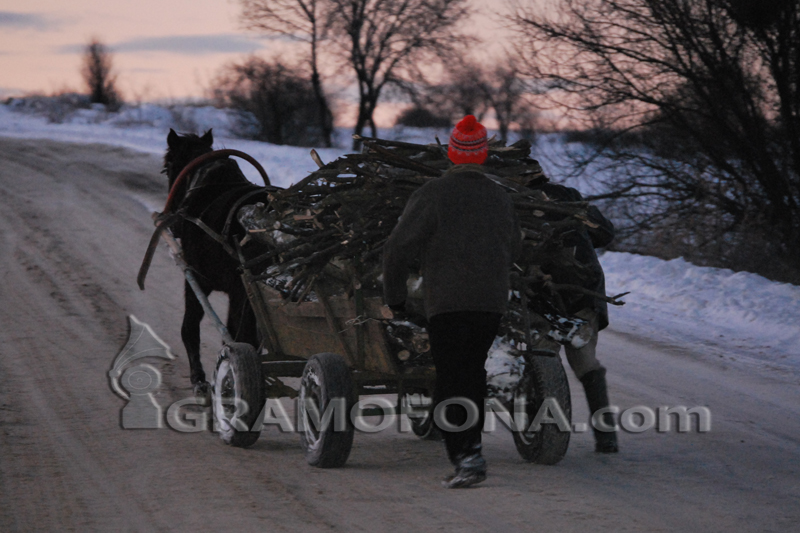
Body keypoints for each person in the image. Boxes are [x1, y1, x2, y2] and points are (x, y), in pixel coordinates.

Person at [382, 115, 521, 488]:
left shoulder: (433, 194)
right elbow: (515, 246)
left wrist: (395, 298)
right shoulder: (500, 196)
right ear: (484, 156)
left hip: (448, 301)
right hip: (491, 302)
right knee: (472, 373)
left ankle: (466, 457)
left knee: (451, 378)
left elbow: (397, 248)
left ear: (451, 154)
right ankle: (470, 448)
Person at [528, 178, 619, 453]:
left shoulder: (511, 197)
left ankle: (545, 436)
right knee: (586, 363)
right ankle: (607, 438)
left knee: (544, 358)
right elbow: (605, 234)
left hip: (543, 290)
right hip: (583, 288)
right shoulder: (567, 195)